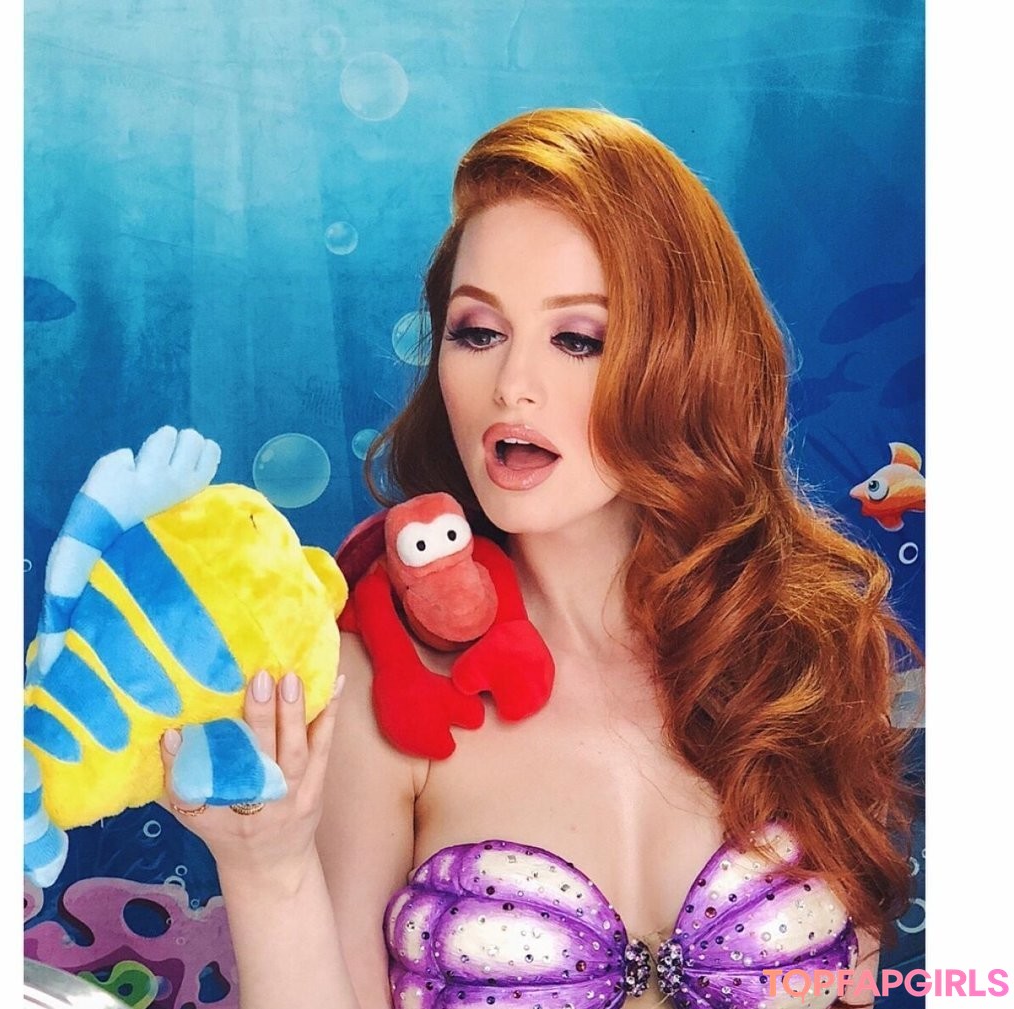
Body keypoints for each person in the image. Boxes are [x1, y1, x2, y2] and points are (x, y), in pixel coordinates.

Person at [159, 107, 916, 1009]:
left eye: (577, 338)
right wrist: (269, 869)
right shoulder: (386, 683)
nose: (512, 385)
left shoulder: (805, 651)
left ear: (685, 361)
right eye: (478, 331)